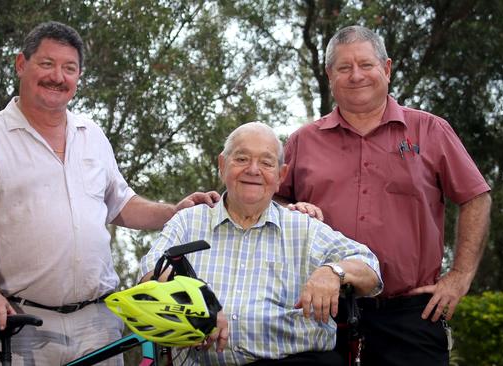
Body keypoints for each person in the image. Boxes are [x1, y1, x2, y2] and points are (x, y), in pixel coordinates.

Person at [0, 21, 220, 365]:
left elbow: (122, 205)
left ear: (78, 77)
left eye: (69, 68)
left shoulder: (92, 134)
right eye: (47, 64)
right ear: (21, 64)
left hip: (98, 323)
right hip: (17, 322)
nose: (58, 76)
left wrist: (173, 211)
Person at [275, 25, 492, 365]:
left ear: (386, 69)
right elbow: (271, 204)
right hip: (321, 312)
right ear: (330, 74)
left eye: (366, 65)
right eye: (344, 68)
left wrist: (460, 277)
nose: (356, 75)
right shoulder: (302, 140)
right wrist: (289, 208)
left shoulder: (430, 130)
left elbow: (476, 197)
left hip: (410, 315)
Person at [138, 122, 383, 366]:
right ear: (222, 166)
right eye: (242, 159)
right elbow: (150, 276)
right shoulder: (188, 222)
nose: (253, 170)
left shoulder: (304, 227)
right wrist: (200, 308)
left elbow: (369, 267)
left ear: (281, 176)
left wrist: (333, 272)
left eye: (266, 163)